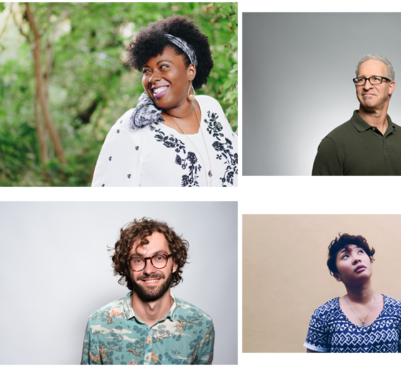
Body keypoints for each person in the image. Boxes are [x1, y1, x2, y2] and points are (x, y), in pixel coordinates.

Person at [91, 15, 240, 188]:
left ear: (190, 70)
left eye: (163, 67)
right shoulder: (132, 127)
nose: (153, 78)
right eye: (147, 71)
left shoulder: (211, 109)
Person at [81, 217, 215, 365]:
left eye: (159, 257)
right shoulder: (99, 324)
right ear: (126, 268)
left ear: (174, 263)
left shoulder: (201, 325)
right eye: (138, 260)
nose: (149, 270)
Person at [304, 233, 401, 354]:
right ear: (337, 275)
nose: (356, 259)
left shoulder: (399, 310)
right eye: (345, 256)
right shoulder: (323, 314)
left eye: (360, 252)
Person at [312, 53, 401, 177]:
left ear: (390, 87)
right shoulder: (333, 144)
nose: (366, 86)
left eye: (375, 79)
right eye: (361, 80)